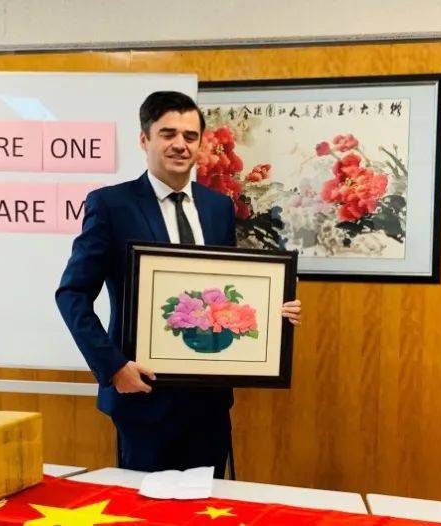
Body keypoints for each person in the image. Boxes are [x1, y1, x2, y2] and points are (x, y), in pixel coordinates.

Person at [56, 91, 301, 477]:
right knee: (146, 507)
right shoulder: (110, 205)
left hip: (209, 400)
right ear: (144, 139)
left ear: (201, 144)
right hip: (142, 395)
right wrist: (113, 366)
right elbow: (72, 294)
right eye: (167, 134)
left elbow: (226, 289)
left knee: (209, 504)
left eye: (190, 136)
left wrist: (274, 309)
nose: (179, 145)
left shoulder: (218, 207)